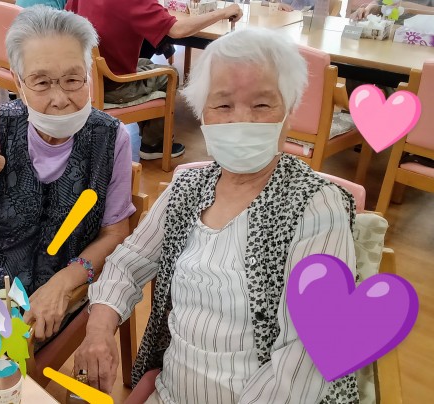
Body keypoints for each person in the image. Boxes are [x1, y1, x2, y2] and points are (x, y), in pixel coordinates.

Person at [73, 27, 359, 403]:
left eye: (262, 105)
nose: (241, 120)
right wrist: (98, 328)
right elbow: (128, 262)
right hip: (171, 392)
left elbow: (307, 357)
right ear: (203, 114)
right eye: (222, 105)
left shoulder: (316, 205)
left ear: (289, 113)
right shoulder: (187, 187)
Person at [0, 6, 135, 344]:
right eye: (42, 82)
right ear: (19, 81)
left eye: (73, 79)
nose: (60, 99)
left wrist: (64, 282)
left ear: (88, 74)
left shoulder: (110, 138)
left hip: (45, 295)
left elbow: (115, 232)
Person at [66, 0, 243, 161]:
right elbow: (177, 30)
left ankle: (149, 133)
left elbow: (68, 19)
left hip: (87, 79)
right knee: (169, 74)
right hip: (114, 85)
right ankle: (154, 144)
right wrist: (223, 12)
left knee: (146, 63)